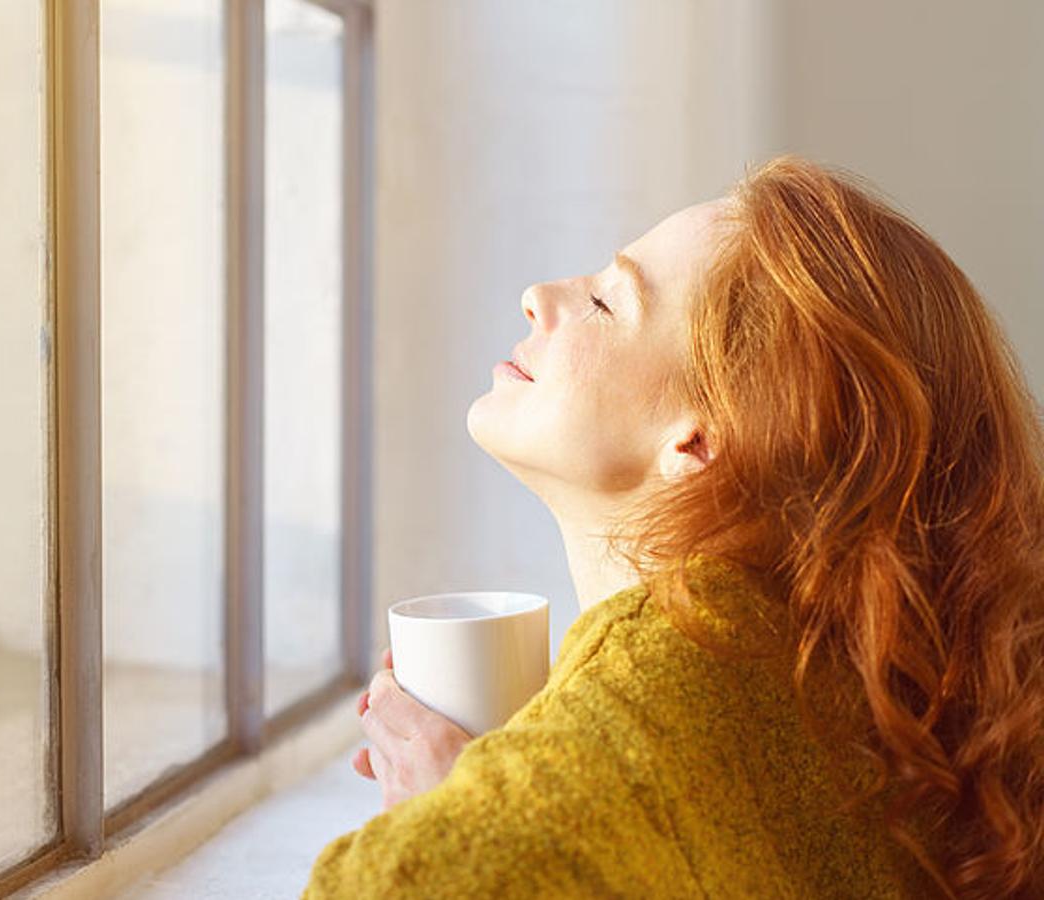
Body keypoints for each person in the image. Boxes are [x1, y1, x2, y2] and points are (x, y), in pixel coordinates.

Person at [302, 156, 1044, 899]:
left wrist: (460, 824)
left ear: (698, 439)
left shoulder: (660, 680)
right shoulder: (834, 671)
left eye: (605, 301)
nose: (539, 297)